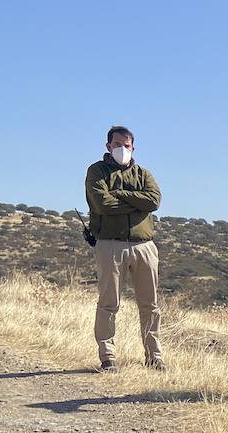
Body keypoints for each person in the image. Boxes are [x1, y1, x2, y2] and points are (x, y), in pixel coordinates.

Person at [85, 125, 164, 372]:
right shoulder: (97, 171)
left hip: (144, 246)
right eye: (117, 145)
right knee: (109, 304)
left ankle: (154, 357)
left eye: (126, 145)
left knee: (150, 306)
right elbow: (103, 204)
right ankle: (108, 357)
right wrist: (137, 203)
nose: (122, 149)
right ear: (108, 146)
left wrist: (119, 193)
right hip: (110, 245)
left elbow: (154, 201)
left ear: (133, 147)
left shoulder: (143, 174)